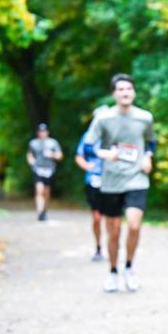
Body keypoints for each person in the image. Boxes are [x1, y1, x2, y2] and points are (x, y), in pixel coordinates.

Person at [86, 74, 157, 292]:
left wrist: (148, 156)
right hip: (111, 180)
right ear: (113, 93)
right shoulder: (104, 118)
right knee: (114, 231)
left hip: (137, 178)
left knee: (134, 224)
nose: (125, 92)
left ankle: (129, 267)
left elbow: (152, 141)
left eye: (129, 89)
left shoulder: (144, 117)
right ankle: (113, 272)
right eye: (120, 89)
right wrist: (105, 154)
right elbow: (88, 147)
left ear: (134, 92)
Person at [75, 106, 108, 262]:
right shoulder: (88, 137)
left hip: (112, 179)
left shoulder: (113, 135)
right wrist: (87, 166)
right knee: (96, 217)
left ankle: (112, 246)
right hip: (93, 179)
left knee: (112, 216)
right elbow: (79, 156)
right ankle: (98, 247)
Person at [26, 123, 63, 222]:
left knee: (46, 191)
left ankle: (44, 210)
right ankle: (40, 212)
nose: (42, 133)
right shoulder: (33, 143)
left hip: (49, 170)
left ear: (47, 132)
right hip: (38, 169)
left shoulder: (53, 143)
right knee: (39, 190)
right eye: (40, 131)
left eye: (44, 131)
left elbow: (60, 156)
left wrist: (52, 154)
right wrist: (31, 161)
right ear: (38, 133)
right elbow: (29, 155)